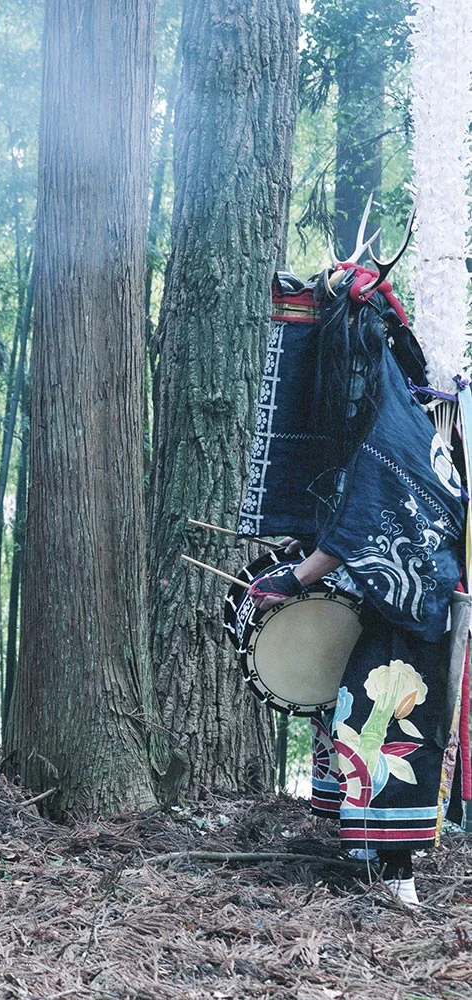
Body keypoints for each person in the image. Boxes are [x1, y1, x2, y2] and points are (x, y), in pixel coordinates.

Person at [242, 264, 465, 905]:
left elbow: (365, 521)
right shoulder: (381, 401)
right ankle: (368, 850)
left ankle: (400, 872)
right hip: (387, 588)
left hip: (415, 596)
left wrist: (296, 578)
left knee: (389, 714)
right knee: (353, 710)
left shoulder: (384, 423)